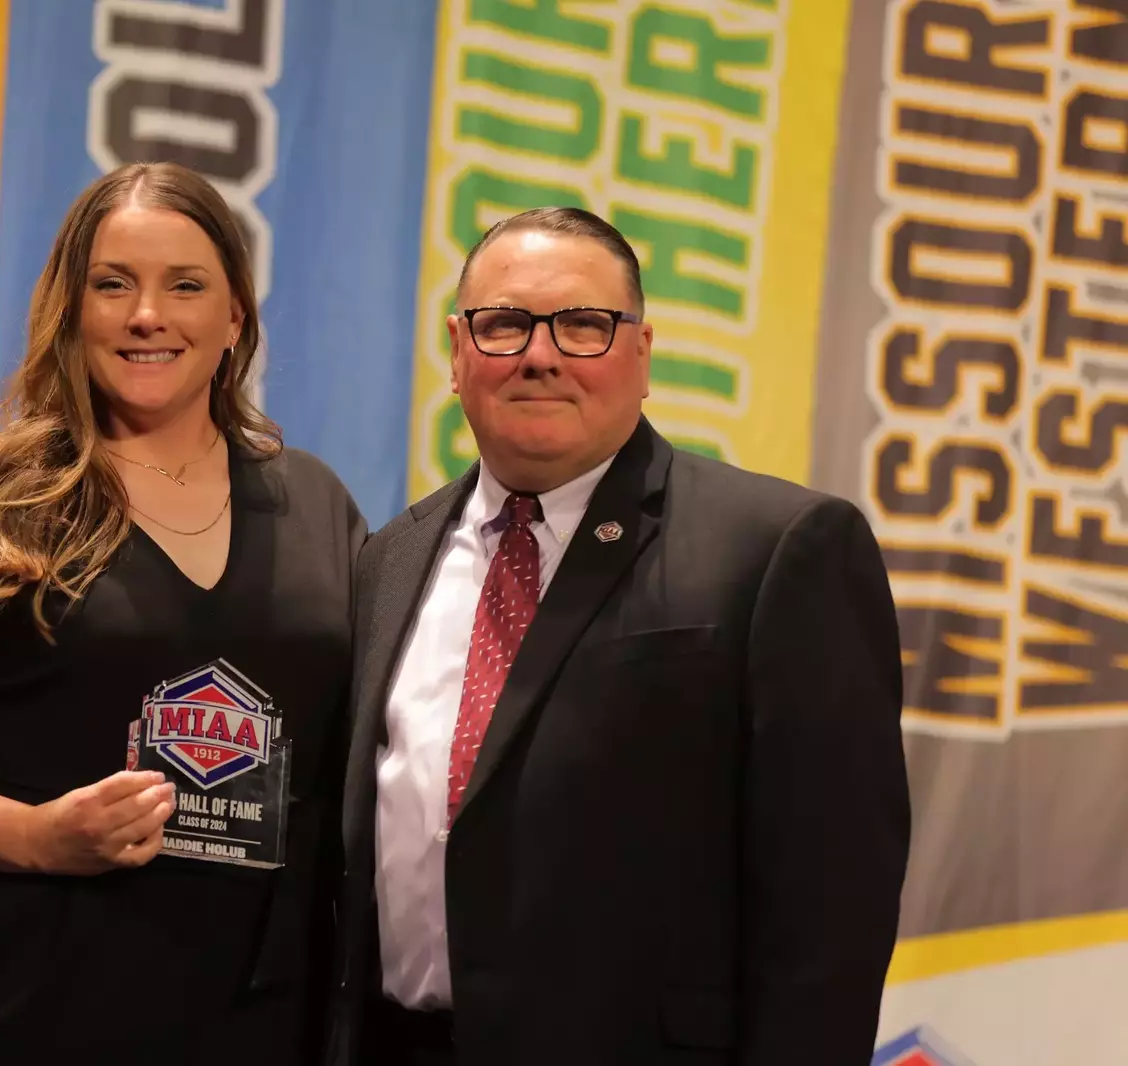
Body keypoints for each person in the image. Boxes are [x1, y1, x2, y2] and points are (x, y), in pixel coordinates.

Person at [0, 161, 365, 1063]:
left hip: (264, 1012)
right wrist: (35, 837)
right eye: (114, 285)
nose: (149, 314)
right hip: (33, 1000)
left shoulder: (317, 504)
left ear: (235, 318)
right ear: (71, 309)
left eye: (186, 285)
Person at [331, 207, 910, 1065]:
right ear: (457, 353)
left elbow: (833, 903)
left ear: (641, 354)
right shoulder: (388, 557)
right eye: (503, 325)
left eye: (583, 326)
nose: (540, 354)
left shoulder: (778, 548)